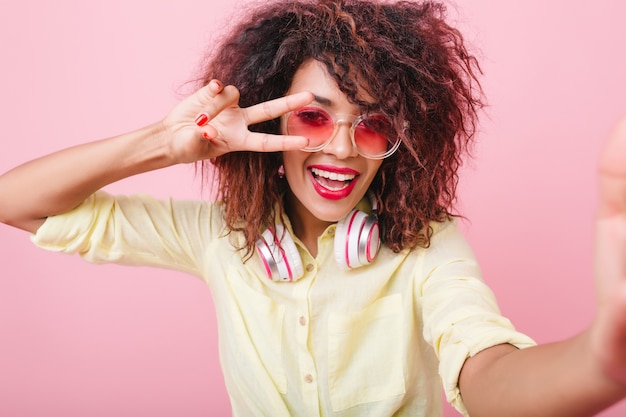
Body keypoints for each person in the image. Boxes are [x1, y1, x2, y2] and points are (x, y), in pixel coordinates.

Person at [1, 0, 625, 415]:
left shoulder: (427, 247)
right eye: (313, 116)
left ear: (401, 146)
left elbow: (484, 371)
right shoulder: (220, 237)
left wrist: (596, 363)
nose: (343, 150)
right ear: (271, 120)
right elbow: (16, 202)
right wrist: (164, 144)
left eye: (373, 126)